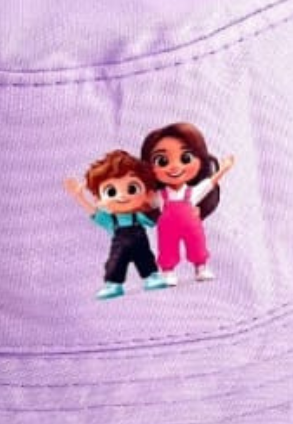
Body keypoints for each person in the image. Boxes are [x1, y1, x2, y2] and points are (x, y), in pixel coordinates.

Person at [64, 150, 170, 300]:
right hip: (119, 246)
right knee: (115, 262)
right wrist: (79, 197)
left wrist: (153, 202)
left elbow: (155, 219)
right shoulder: (111, 219)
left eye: (132, 188)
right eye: (111, 192)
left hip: (140, 243)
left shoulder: (138, 216)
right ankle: (113, 284)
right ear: (98, 199)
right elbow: (93, 212)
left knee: (145, 258)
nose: (122, 196)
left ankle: (151, 276)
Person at [140, 122, 235, 285]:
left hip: (192, 226)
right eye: (162, 161)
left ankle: (201, 267)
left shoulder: (193, 192)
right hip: (167, 227)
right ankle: (168, 271)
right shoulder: (161, 196)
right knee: (167, 248)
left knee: (197, 245)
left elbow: (210, 182)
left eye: (185, 158)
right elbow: (144, 201)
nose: (174, 167)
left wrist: (224, 169)